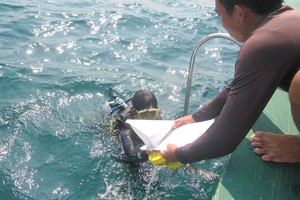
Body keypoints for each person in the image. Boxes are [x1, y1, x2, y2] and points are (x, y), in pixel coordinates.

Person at [160, 0, 300, 164]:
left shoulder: (262, 44)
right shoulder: (290, 18)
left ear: (240, 13)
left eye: (219, 15)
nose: (221, 22)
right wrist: (197, 117)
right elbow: (241, 84)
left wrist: (178, 154)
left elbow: (224, 140)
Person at [108, 89, 160, 165]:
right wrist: (146, 153)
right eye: (144, 114)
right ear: (134, 112)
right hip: (121, 130)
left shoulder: (156, 118)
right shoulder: (126, 126)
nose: (149, 118)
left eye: (153, 113)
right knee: (132, 164)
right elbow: (130, 153)